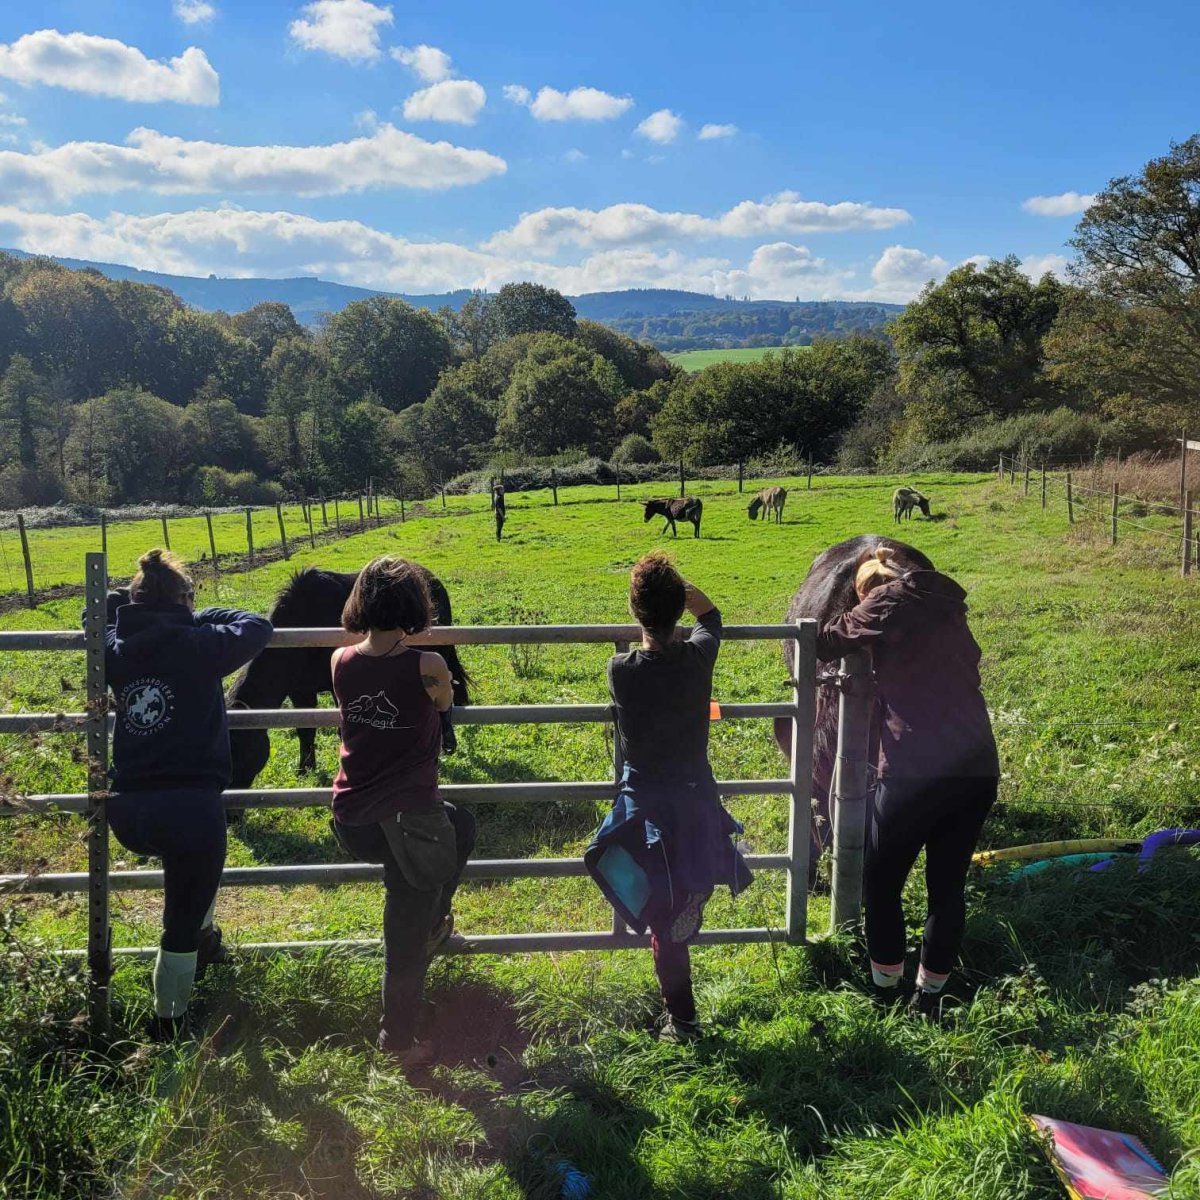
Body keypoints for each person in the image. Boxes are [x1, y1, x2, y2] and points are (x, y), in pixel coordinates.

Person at [815, 546, 999, 1018]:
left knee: (881, 883)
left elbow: (826, 641)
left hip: (915, 768)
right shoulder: (947, 606)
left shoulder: (884, 602)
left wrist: (858, 617)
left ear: (867, 591)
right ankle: (929, 997)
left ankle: (886, 990)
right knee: (947, 888)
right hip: (976, 764)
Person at [102, 549, 273, 1039]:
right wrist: (196, 615)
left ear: (138, 600)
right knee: (178, 922)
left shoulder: (114, 647)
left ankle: (206, 939)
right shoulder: (202, 644)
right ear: (184, 601)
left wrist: (140, 608)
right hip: (191, 808)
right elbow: (257, 625)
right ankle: (168, 1027)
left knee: (193, 890)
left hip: (129, 807)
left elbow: (107, 608)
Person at [585, 552, 752, 1043]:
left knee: (658, 906)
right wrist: (689, 597)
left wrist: (667, 604)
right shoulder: (698, 659)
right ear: (679, 608)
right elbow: (712, 620)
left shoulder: (620, 670)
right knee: (675, 898)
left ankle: (682, 1021)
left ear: (634, 611)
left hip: (646, 806)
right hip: (695, 798)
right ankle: (692, 894)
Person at [328, 556, 476, 1066]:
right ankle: (398, 1043)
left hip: (353, 817)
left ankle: (433, 921)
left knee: (461, 825)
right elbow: (444, 705)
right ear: (415, 604)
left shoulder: (339, 660)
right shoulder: (427, 665)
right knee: (403, 938)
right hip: (410, 818)